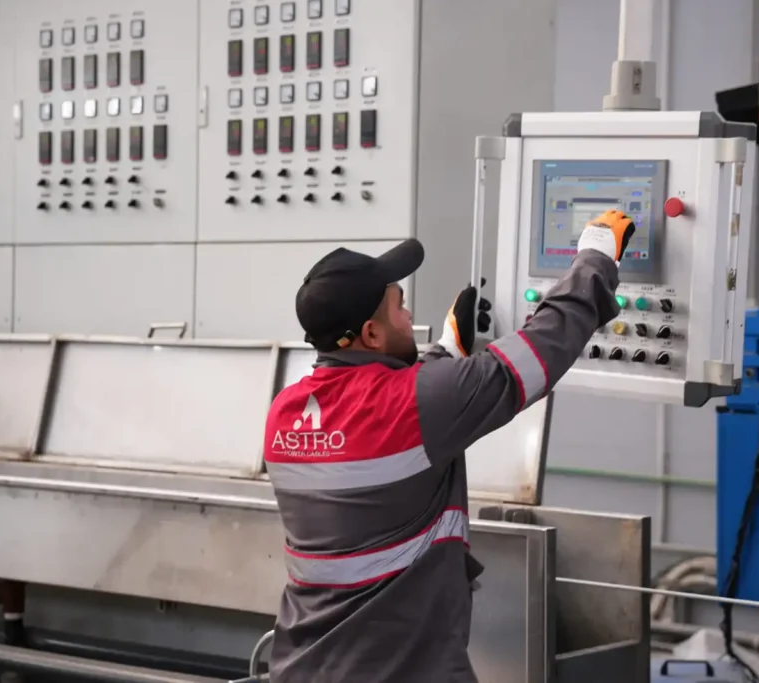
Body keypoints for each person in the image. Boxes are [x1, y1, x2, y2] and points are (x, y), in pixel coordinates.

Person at [263, 209, 636, 683]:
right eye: (399, 306)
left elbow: (389, 411)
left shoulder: (286, 413)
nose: (408, 313)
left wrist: (446, 350)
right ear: (371, 335)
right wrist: (595, 259)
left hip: (303, 666)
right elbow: (535, 354)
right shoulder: (417, 405)